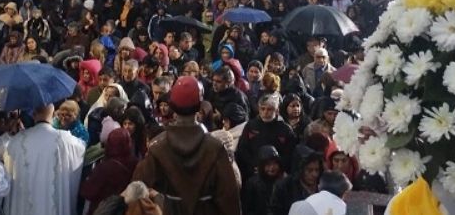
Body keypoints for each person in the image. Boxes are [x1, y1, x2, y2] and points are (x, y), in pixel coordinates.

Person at [133, 76, 240, 215]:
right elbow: (229, 197)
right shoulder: (215, 147)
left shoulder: (158, 146)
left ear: (172, 104)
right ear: (200, 104)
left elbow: (137, 186)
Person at [3, 103, 86, 215]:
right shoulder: (65, 139)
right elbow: (81, 148)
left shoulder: (17, 141)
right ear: (53, 114)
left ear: (33, 114)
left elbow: (7, 159)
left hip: (24, 201)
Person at [235, 93, 296, 181]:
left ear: (277, 111)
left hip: (277, 175)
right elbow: (243, 148)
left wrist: (277, 167)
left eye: (269, 109)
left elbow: (290, 153)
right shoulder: (251, 126)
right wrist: (254, 165)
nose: (265, 112)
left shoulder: (285, 129)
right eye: (262, 109)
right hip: (254, 173)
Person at [80, 127, 138, 215]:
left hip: (103, 210)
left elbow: (88, 192)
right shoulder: (136, 163)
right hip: (126, 210)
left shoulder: (104, 167)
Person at [268, 145, 324, 215]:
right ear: (300, 170)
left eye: (317, 170)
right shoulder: (284, 187)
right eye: (309, 170)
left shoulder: (323, 185)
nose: (314, 174)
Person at [242, 145, 284, 215]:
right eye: (268, 165)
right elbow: (247, 209)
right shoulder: (253, 183)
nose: (272, 168)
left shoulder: (283, 181)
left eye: (274, 163)